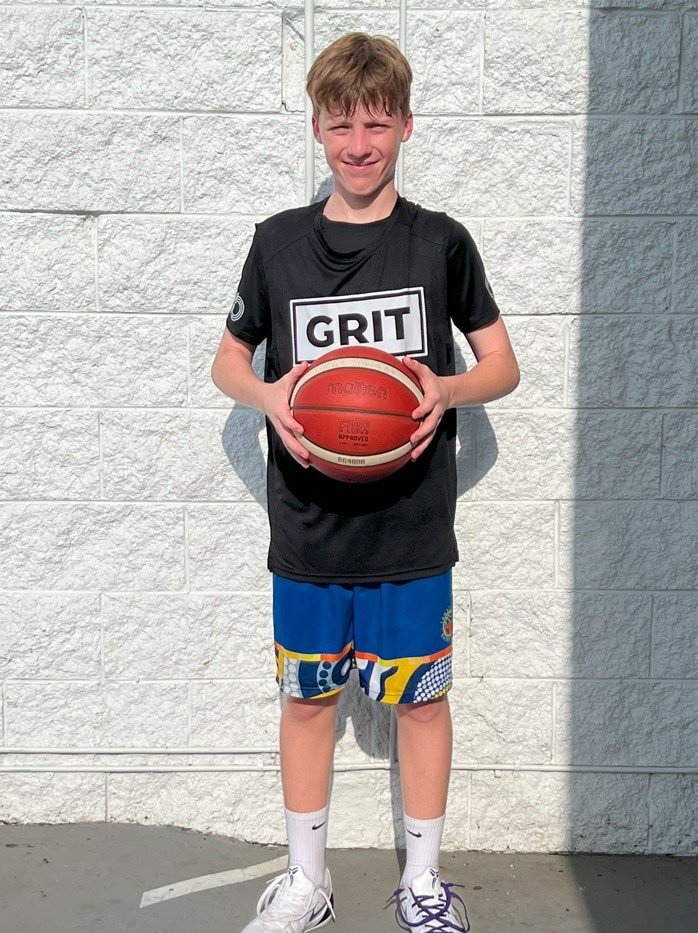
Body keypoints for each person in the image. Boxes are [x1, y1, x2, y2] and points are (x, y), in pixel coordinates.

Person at [211, 31, 520, 933]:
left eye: (376, 123)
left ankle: (423, 884)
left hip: (412, 529)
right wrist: (269, 394)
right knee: (307, 699)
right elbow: (228, 361)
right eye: (341, 123)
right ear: (317, 129)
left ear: (406, 127)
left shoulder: (440, 244)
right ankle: (308, 880)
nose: (358, 143)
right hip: (307, 529)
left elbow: (501, 363)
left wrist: (449, 388)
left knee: (421, 707)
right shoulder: (276, 245)